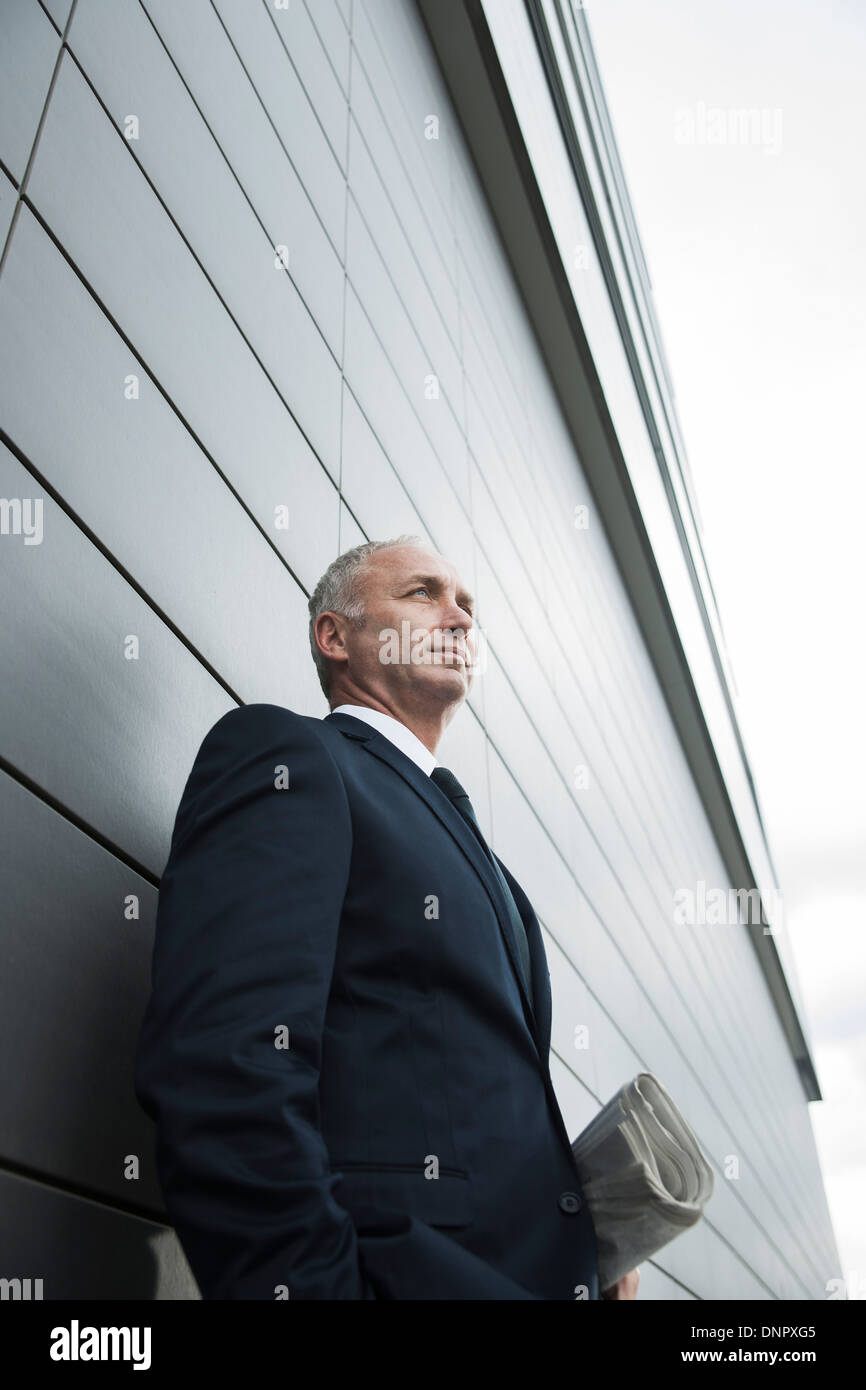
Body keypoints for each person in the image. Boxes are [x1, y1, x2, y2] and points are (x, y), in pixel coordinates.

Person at [135, 535, 639, 1301]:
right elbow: (228, 1062)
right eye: (423, 593)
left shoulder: (486, 862)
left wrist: (586, 1250)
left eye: (467, 604)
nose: (461, 618)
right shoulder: (288, 757)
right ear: (334, 636)